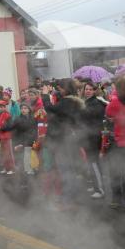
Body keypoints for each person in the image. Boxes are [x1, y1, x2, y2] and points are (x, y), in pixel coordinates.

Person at [42, 78, 85, 209]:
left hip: (63, 141)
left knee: (66, 170)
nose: (58, 90)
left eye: (60, 87)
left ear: (65, 88)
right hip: (68, 139)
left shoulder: (68, 101)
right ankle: (71, 198)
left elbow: (51, 109)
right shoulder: (73, 101)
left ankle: (67, 200)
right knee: (69, 170)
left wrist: (44, 95)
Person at [105, 75, 125, 210]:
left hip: (119, 143)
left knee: (117, 172)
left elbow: (109, 113)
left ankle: (116, 199)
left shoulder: (116, 102)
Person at [81, 82, 107, 199]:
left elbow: (93, 121)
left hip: (94, 138)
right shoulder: (87, 102)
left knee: (94, 163)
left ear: (95, 91)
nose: (88, 91)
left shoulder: (97, 103)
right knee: (92, 163)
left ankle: (100, 189)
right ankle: (96, 184)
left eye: (91, 89)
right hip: (88, 137)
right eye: (86, 89)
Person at [2, 103, 38, 175]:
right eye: (22, 108)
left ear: (29, 110)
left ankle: (29, 171)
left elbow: (35, 130)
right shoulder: (18, 119)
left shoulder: (33, 118)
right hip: (21, 142)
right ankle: (24, 175)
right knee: (22, 160)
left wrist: (34, 140)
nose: (23, 110)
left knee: (29, 158)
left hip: (30, 141)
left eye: (25, 108)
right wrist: (3, 126)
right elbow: (10, 127)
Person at [0, 100, 14, 174]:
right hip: (1, 137)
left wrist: (1, 128)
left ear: (5, 107)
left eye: (2, 107)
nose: (0, 108)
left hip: (7, 137)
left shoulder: (7, 115)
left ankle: (11, 169)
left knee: (8, 153)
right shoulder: (0, 115)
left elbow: (9, 126)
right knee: (3, 153)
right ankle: (6, 168)